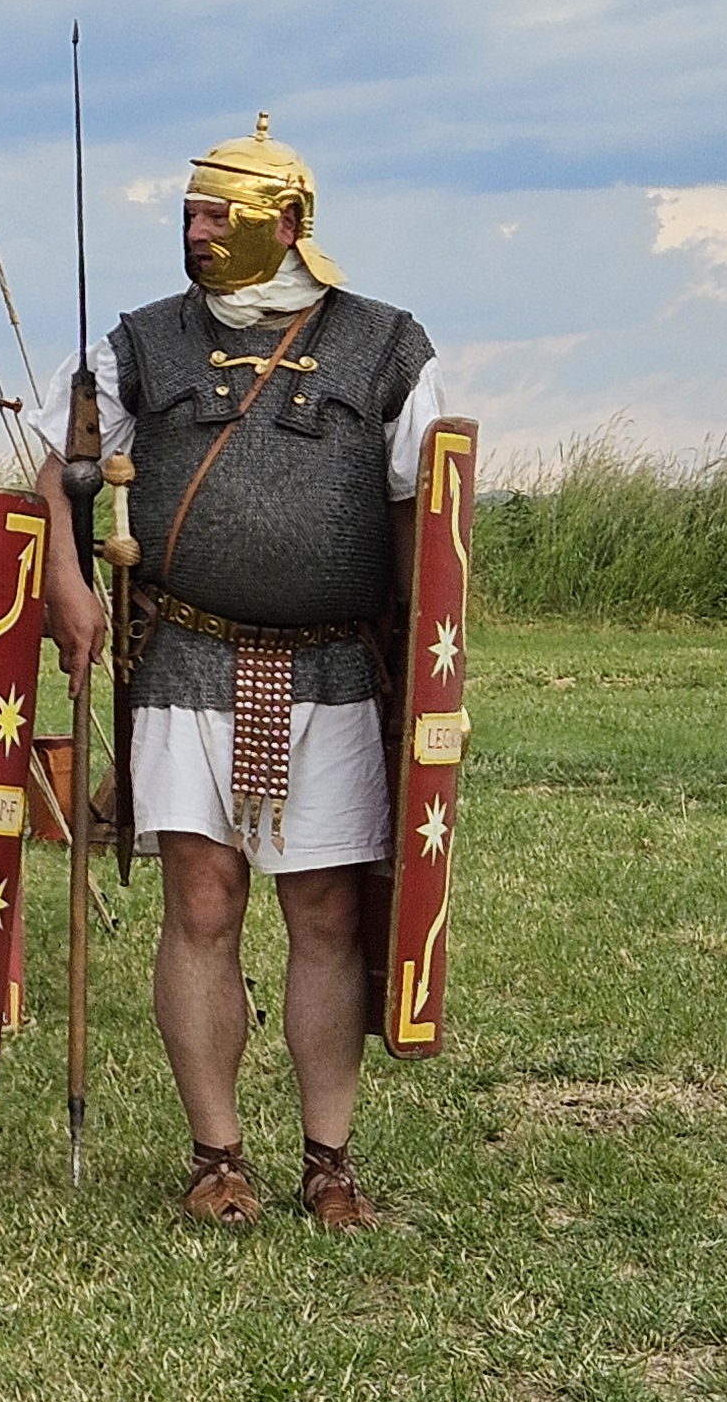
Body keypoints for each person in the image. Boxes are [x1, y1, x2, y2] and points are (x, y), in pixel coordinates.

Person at [39, 117, 440, 1231]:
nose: (197, 232)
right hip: (186, 655)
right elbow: (59, 472)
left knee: (326, 910)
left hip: (335, 669)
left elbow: (426, 509)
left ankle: (328, 1159)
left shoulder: (386, 345)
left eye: (220, 215)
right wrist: (67, 583)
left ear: (290, 222)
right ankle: (216, 1155)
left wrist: (426, 665)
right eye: (189, 213)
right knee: (202, 899)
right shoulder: (138, 344)